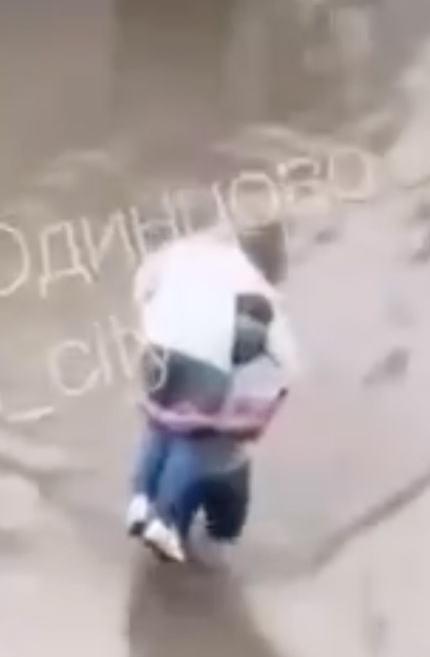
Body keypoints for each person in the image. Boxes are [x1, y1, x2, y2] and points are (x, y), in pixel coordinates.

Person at [126, 225, 300, 562]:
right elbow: (284, 358)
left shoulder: (198, 258)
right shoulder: (257, 295)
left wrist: (149, 327)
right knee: (193, 439)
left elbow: (148, 279)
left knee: (160, 429)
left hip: (159, 353)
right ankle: (165, 521)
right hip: (205, 374)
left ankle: (140, 503)